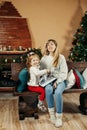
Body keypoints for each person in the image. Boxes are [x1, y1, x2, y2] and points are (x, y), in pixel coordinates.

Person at [40, 39, 68, 127]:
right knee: (48, 90)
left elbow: (64, 73)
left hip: (60, 80)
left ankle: (59, 117)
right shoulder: (44, 58)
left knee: (58, 92)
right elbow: (41, 71)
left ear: (55, 46)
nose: (50, 46)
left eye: (52, 44)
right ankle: (52, 115)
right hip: (48, 80)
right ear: (46, 47)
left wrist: (58, 81)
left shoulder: (61, 57)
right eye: (48, 45)